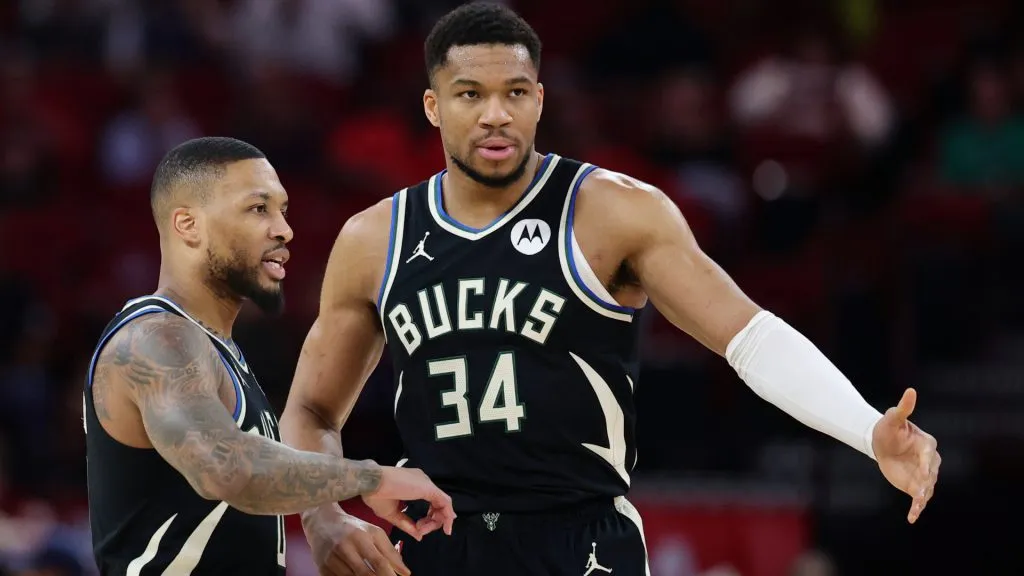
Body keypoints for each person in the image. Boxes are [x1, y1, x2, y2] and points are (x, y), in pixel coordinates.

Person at [279, 4, 941, 576]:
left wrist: (865, 429)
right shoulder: (374, 239)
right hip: (433, 539)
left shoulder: (614, 211)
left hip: (580, 537)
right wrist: (324, 516)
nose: (494, 114)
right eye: (469, 94)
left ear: (539, 99)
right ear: (433, 105)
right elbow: (311, 408)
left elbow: (750, 337)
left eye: (514, 92)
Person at [83, 137, 455, 576]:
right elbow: (225, 469)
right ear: (187, 224)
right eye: (258, 209)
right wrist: (373, 477)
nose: (284, 229)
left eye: (283, 210)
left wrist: (326, 518)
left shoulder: (218, 351)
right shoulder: (158, 338)